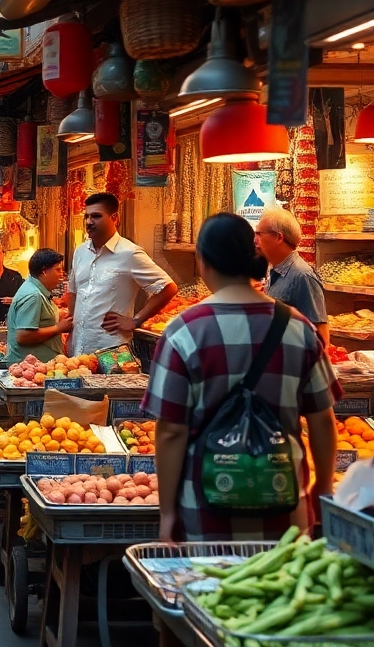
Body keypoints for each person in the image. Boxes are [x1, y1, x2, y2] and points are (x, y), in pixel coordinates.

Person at [144, 212, 339, 542]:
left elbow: (171, 433)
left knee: (211, 591)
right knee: (284, 591)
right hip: (285, 508)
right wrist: (322, 489)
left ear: (203, 261)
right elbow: (322, 420)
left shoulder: (183, 332)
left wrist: (167, 513)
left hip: (206, 509)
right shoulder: (297, 328)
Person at [68, 192, 177, 357]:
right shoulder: (80, 252)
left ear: (115, 218)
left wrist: (136, 320)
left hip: (112, 350)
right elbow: (74, 292)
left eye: (96, 216)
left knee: (111, 384)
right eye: (87, 216)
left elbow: (167, 287)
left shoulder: (130, 253)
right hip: (78, 348)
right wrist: (70, 329)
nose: (89, 222)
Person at [256, 206, 329, 345]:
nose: (255, 240)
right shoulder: (273, 270)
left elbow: (320, 334)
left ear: (278, 237)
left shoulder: (302, 276)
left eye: (259, 234)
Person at [6, 249, 70, 365]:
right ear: (44, 271)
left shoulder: (35, 290)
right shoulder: (33, 295)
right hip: (30, 369)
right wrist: (58, 328)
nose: (61, 274)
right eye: (58, 270)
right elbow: (23, 336)